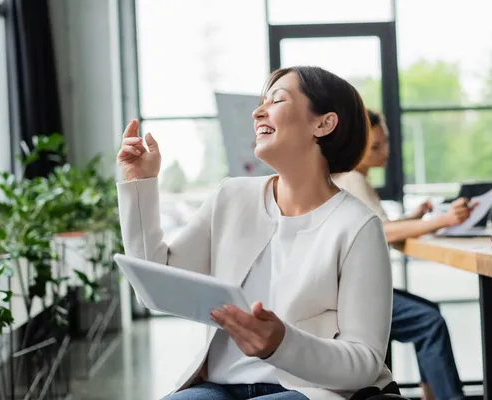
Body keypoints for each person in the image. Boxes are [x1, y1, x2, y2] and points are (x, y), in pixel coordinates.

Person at [116, 67, 397, 400]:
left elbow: (365, 361)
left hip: (309, 391)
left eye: (277, 100)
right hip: (220, 386)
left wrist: (283, 344)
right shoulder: (231, 197)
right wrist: (139, 185)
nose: (257, 112)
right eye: (262, 101)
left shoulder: (356, 226)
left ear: (323, 123)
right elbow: (154, 285)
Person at [333, 110, 469, 400]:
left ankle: (431, 394)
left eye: (386, 143)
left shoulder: (356, 180)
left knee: (430, 314)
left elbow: (375, 229)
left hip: (353, 290)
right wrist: (441, 221)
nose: (386, 152)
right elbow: (381, 232)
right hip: (353, 297)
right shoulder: (353, 179)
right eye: (375, 147)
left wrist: (414, 217)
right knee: (429, 321)